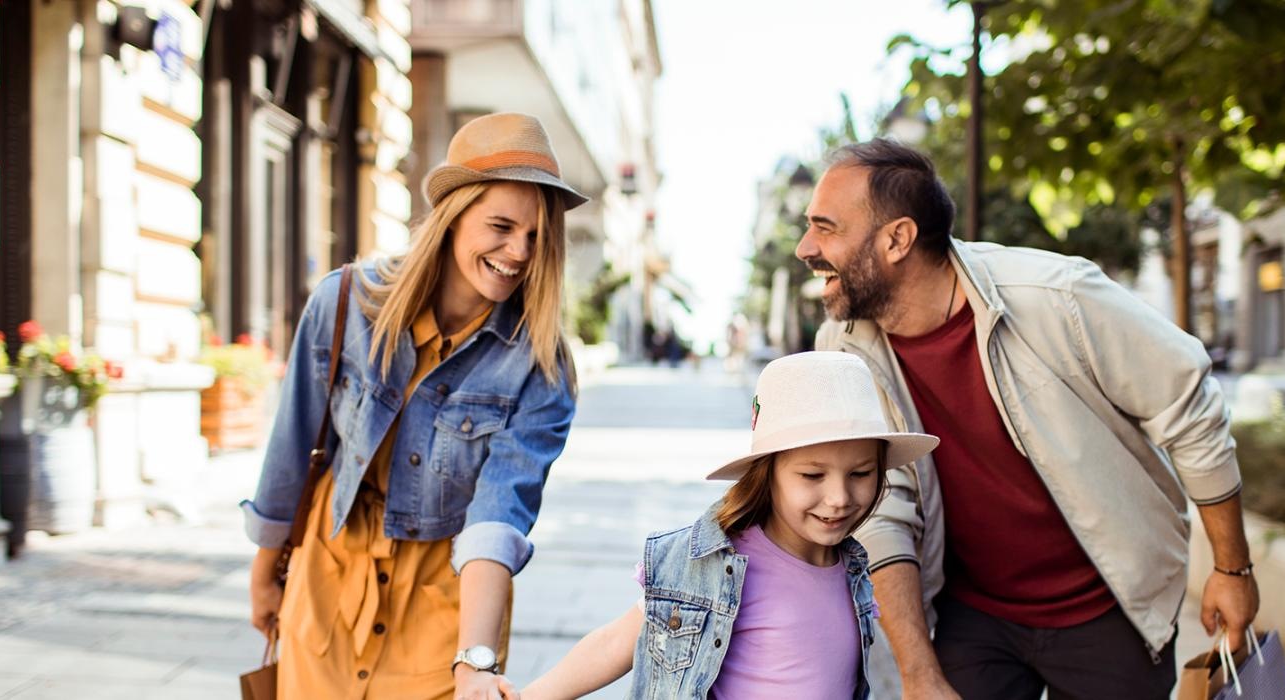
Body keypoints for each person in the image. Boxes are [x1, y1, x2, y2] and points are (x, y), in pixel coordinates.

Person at [801, 139, 1258, 699]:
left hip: (1109, 611)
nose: (805, 247)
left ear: (897, 239)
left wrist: (1231, 570)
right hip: (973, 616)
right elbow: (881, 510)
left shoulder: (1055, 295)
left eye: (826, 228)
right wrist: (919, 675)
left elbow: (1187, 401)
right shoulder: (843, 349)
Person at [243, 113, 584, 699]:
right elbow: (291, 446)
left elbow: (499, 513)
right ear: (453, 217)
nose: (519, 252)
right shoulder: (345, 302)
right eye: (501, 226)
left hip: (446, 603)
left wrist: (474, 660)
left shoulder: (542, 364)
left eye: (536, 236)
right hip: (328, 578)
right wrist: (264, 573)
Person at [516, 351, 939, 700]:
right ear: (768, 473)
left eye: (861, 474)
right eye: (812, 476)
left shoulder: (854, 570)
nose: (840, 498)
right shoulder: (715, 565)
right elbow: (616, 642)